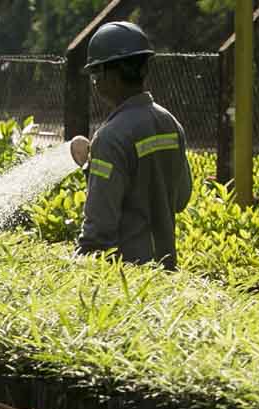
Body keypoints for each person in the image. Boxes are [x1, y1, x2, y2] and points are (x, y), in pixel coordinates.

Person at [67, 21, 193, 269]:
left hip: (126, 278)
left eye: (95, 74)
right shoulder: (170, 123)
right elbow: (180, 198)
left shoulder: (110, 137)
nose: (95, 83)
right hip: (165, 273)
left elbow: (99, 228)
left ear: (110, 76)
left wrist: (74, 268)